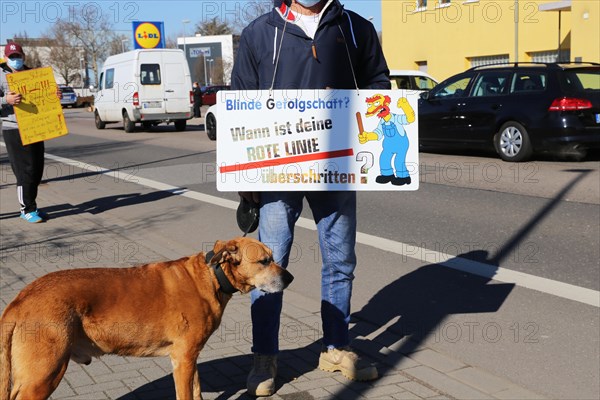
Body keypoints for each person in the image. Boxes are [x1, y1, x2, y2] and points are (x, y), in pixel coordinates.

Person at [231, 0, 390, 396]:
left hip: (337, 166)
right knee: (269, 266)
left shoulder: (355, 28)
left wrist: (371, 113)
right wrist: (245, 174)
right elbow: (240, 102)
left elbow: (378, 84)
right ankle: (264, 358)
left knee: (340, 261)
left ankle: (336, 347)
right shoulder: (259, 32)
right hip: (277, 170)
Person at [1, 42, 59, 223]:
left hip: (35, 127)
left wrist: (54, 95)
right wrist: (6, 99)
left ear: (23, 56)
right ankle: (26, 209)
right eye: (12, 57)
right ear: (5, 58)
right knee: (24, 170)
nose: (15, 60)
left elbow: (44, 98)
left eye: (18, 56)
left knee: (36, 169)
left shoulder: (32, 74)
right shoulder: (0, 75)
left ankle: (32, 205)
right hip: (13, 128)